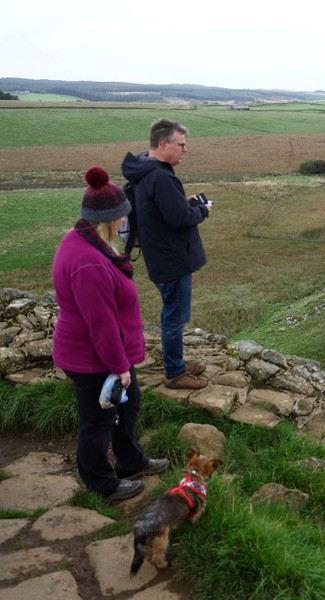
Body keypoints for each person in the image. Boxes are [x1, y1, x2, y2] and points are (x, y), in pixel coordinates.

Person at [52, 166, 170, 501]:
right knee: (98, 422)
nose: (124, 223)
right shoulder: (89, 263)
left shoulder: (84, 241)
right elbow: (100, 325)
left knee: (128, 406)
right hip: (93, 358)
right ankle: (101, 485)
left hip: (103, 353)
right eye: (121, 218)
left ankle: (131, 462)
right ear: (107, 219)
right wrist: (119, 367)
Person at [121, 118, 212, 389]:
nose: (185, 150)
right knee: (175, 316)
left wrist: (182, 203)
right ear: (164, 143)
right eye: (181, 145)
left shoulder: (144, 169)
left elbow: (162, 210)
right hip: (172, 259)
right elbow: (178, 219)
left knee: (171, 312)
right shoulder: (160, 176)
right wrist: (202, 211)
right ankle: (174, 373)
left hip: (159, 254)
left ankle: (176, 360)